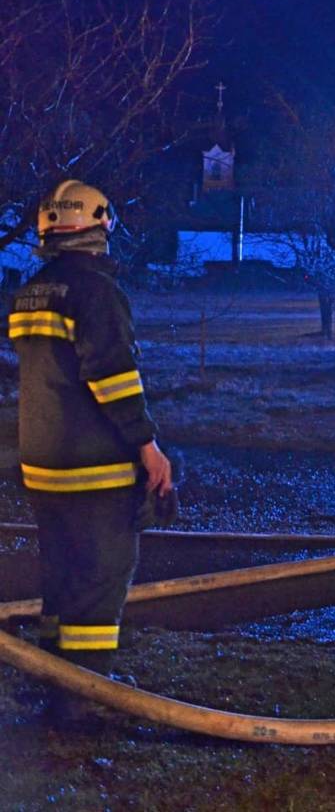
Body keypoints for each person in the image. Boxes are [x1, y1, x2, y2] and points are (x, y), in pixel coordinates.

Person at [8, 180, 173, 730]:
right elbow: (112, 378)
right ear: (101, 226)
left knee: (61, 575)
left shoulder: (33, 290)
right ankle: (84, 697)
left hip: (43, 464)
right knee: (102, 577)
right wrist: (148, 447)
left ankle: (56, 684)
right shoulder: (96, 292)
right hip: (93, 467)